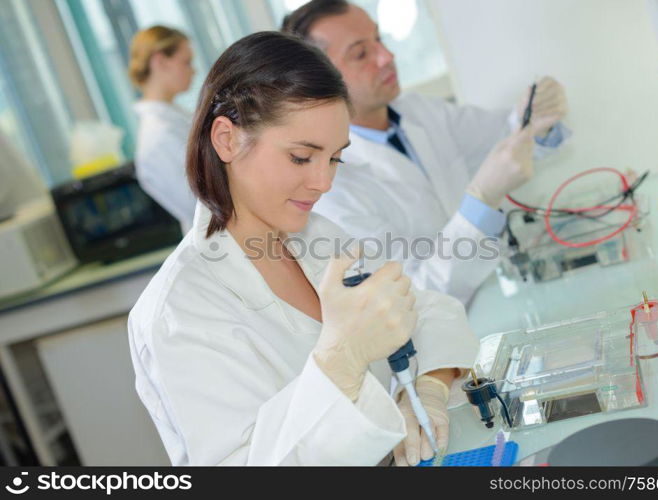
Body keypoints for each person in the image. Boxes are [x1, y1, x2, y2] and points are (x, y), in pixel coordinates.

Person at [128, 32, 479, 466]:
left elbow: (425, 308)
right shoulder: (178, 311)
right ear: (226, 139)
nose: (323, 183)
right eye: (301, 157)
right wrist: (340, 359)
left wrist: (427, 388)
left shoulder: (316, 236)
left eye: (335, 158)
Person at [282, 1, 570, 305]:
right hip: (441, 337)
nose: (387, 57)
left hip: (499, 295)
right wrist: (480, 203)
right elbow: (414, 290)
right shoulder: (330, 191)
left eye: (379, 40)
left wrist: (537, 120)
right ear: (316, 82)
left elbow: (505, 136)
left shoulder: (420, 112)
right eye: (361, 54)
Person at [128, 25, 197, 231]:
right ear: (160, 61)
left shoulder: (176, 118)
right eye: (186, 62)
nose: (193, 70)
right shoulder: (159, 137)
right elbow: (201, 207)